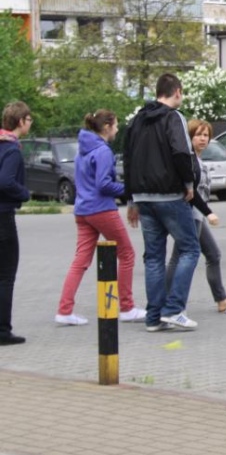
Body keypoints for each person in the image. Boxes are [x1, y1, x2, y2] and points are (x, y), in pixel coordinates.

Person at [124, 73, 201, 331]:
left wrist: (131, 198)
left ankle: (153, 317)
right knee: (190, 249)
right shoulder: (174, 118)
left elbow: (128, 158)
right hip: (170, 195)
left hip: (143, 197)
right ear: (177, 91)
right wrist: (189, 183)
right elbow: (181, 152)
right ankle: (174, 308)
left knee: (154, 257)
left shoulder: (137, 120)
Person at [56, 111, 145, 326]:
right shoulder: (103, 151)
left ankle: (64, 310)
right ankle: (127, 308)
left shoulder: (82, 149)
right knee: (127, 254)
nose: (117, 129)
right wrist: (129, 189)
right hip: (102, 210)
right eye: (115, 125)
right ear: (106, 127)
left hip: (82, 210)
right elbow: (103, 184)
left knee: (81, 260)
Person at [166, 120, 226, 312]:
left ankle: (222, 300)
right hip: (190, 215)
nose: (203, 139)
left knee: (213, 254)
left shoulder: (198, 160)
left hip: (197, 215)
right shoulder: (189, 160)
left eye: (206, 135)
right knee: (180, 257)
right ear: (189, 137)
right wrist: (208, 213)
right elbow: (190, 192)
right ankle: (168, 302)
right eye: (198, 135)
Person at [0, 102, 32, 345]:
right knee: (5, 275)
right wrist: (24, 193)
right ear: (21, 121)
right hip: (3, 217)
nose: (30, 124)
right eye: (29, 119)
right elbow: (5, 181)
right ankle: (3, 330)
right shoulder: (11, 150)